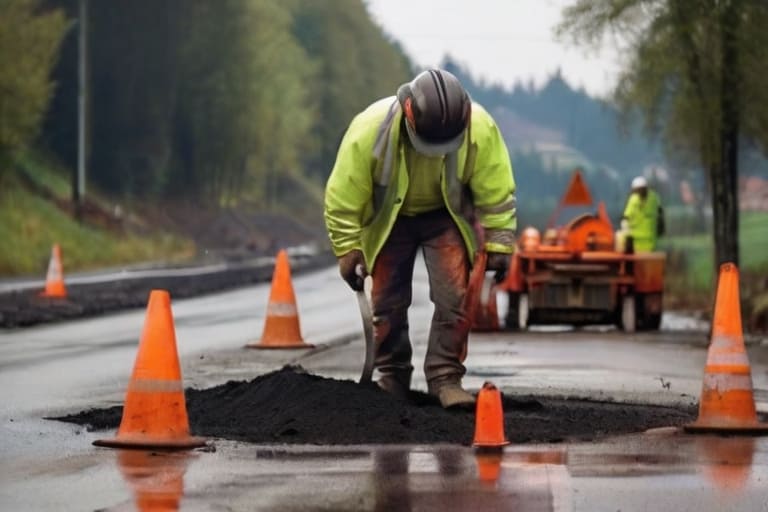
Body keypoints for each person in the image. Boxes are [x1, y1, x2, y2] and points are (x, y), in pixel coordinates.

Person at [324, 69, 517, 408]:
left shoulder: (479, 129)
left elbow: (496, 192)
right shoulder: (370, 131)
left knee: (454, 296)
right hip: (391, 219)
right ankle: (393, 376)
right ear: (408, 116)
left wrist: (501, 242)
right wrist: (348, 248)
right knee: (386, 302)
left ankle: (445, 378)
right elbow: (343, 197)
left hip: (446, 216)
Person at [621, 176, 664, 252]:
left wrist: (626, 233)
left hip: (637, 242)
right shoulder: (654, 197)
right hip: (649, 242)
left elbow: (626, 217)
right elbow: (660, 214)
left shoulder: (634, 199)